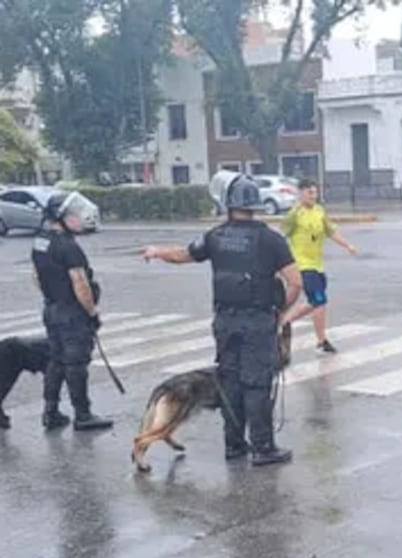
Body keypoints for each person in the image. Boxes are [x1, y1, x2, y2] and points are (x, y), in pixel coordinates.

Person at [141, 171, 302, 466]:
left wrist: (157, 251)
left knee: (231, 382)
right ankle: (264, 448)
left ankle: (234, 445)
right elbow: (295, 283)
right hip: (257, 322)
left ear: (228, 204)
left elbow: (184, 254)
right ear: (254, 205)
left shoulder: (215, 236)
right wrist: (278, 313)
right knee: (256, 384)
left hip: (225, 323)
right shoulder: (270, 240)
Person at [31, 193, 113, 431]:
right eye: (74, 215)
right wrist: (91, 312)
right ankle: (83, 415)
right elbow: (80, 283)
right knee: (76, 364)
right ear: (62, 217)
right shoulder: (68, 246)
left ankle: (51, 411)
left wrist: (53, 296)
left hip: (52, 309)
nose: (79, 219)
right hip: (71, 314)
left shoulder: (41, 241)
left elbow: (36, 276)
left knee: (56, 361)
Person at [279, 178, 358, 354]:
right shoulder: (294, 214)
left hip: (318, 266)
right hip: (302, 266)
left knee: (314, 302)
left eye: (315, 192)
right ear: (300, 193)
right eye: (309, 192)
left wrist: (347, 245)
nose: (313, 196)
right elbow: (280, 237)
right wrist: (279, 264)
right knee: (319, 301)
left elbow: (331, 232)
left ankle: (283, 322)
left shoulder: (319, 211)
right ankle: (321, 342)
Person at [0, 336, 50, 429]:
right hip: (14, 351)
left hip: (14, 348)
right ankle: (52, 413)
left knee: (4, 383)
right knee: (5, 383)